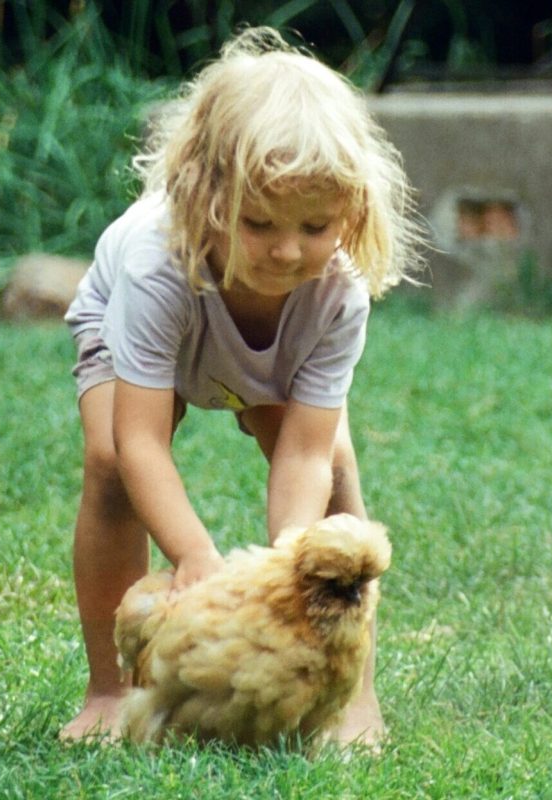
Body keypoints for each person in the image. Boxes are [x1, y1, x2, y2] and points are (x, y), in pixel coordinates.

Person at [61, 26, 424, 744]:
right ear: (206, 196)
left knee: (339, 482)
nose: (287, 251)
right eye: (258, 223)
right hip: (146, 326)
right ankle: (110, 689)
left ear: (351, 211)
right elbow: (140, 441)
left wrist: (285, 576)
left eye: (315, 226)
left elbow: (304, 455)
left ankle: (353, 694)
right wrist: (194, 554)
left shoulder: (335, 291)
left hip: (266, 355)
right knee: (108, 465)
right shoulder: (153, 263)